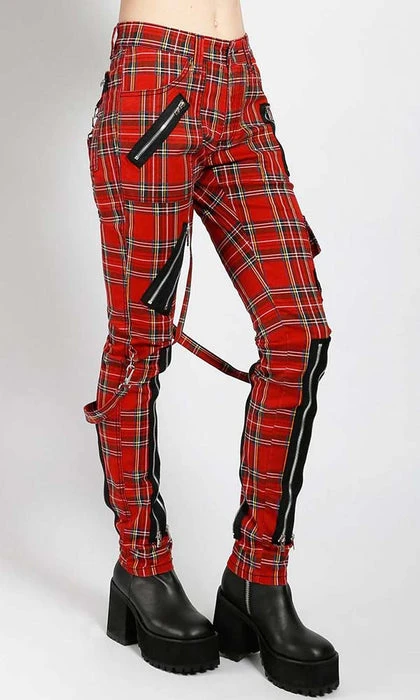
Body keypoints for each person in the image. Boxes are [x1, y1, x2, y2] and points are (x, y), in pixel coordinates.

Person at [83, 0, 339, 694]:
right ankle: (141, 567)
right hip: (152, 77)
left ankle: (258, 579)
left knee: (297, 333)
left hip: (239, 84)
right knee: (140, 342)